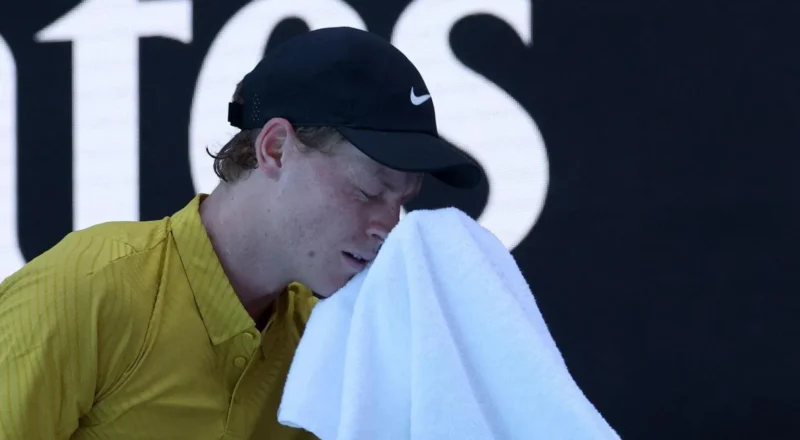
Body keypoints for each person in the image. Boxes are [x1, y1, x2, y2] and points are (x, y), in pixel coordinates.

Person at [0, 27, 480, 439]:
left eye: (402, 202)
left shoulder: (334, 344)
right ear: (275, 148)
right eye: (368, 192)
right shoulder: (86, 290)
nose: (389, 229)